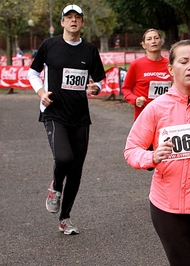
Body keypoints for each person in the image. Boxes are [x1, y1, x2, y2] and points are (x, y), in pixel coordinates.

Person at [124, 39, 190, 265]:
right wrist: (151, 157)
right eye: (184, 61)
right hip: (166, 207)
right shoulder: (156, 108)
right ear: (171, 69)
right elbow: (131, 149)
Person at [27, 4, 106, 235]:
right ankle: (55, 187)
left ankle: (65, 218)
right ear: (62, 22)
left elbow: (100, 79)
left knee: (76, 169)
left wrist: (96, 88)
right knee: (63, 157)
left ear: (82, 23)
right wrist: (41, 92)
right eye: (68, 17)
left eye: (77, 18)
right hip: (54, 111)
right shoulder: (49, 45)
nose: (73, 21)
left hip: (80, 115)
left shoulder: (90, 50)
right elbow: (32, 71)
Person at [122, 29, 171, 121]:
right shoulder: (136, 65)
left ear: (161, 42)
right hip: (144, 114)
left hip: (166, 114)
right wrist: (135, 100)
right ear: (144, 45)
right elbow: (126, 88)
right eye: (149, 39)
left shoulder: (171, 65)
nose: (153, 41)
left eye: (156, 38)